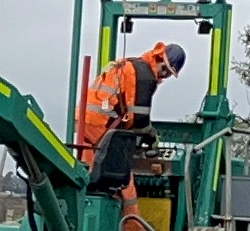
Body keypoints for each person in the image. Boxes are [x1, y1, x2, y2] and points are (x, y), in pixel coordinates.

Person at [75, 39, 187, 194]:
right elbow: (139, 121)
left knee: (88, 177)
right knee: (122, 182)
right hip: (100, 124)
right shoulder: (146, 76)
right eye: (165, 69)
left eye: (169, 74)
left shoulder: (132, 66)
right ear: (159, 58)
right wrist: (151, 137)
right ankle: (131, 218)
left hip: (84, 122)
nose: (165, 75)